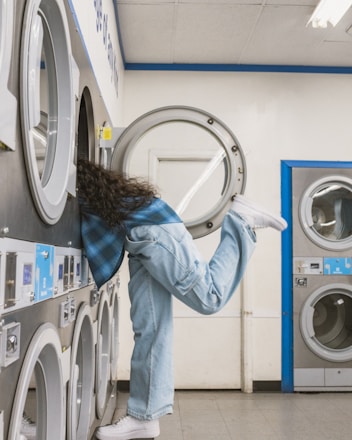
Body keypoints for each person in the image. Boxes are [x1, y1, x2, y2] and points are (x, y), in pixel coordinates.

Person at [77, 159, 287, 440]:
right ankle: (144, 418)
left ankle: (240, 221)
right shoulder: (91, 188)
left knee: (209, 298)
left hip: (153, 234)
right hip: (141, 238)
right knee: (150, 328)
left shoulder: (74, 188)